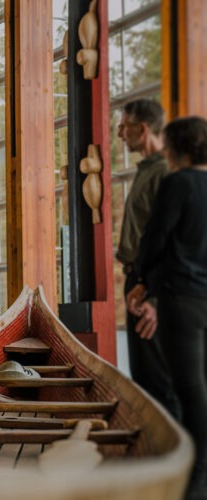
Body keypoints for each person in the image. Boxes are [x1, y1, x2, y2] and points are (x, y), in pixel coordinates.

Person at [127, 116, 207, 500]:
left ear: (174, 147)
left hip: (182, 300)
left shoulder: (178, 183)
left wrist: (143, 282)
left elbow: (157, 239)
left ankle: (193, 480)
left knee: (187, 388)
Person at [116, 99, 181, 418]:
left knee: (158, 379)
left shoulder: (164, 173)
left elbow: (173, 240)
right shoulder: (147, 172)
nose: (119, 134)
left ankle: (177, 459)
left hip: (152, 287)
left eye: (124, 126)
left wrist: (154, 298)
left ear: (142, 129)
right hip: (139, 282)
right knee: (143, 376)